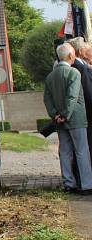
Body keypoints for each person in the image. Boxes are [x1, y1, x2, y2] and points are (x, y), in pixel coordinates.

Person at [43, 42, 92, 195]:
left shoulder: (50, 77)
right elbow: (72, 96)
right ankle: (86, 184)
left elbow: (47, 99)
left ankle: (68, 183)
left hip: (59, 120)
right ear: (71, 56)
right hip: (76, 119)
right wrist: (65, 114)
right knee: (82, 151)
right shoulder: (74, 73)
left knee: (64, 151)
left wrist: (55, 114)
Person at [68, 37, 92, 175]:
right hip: (85, 116)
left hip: (76, 116)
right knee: (83, 150)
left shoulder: (72, 66)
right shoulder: (82, 68)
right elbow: (88, 93)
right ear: (82, 51)